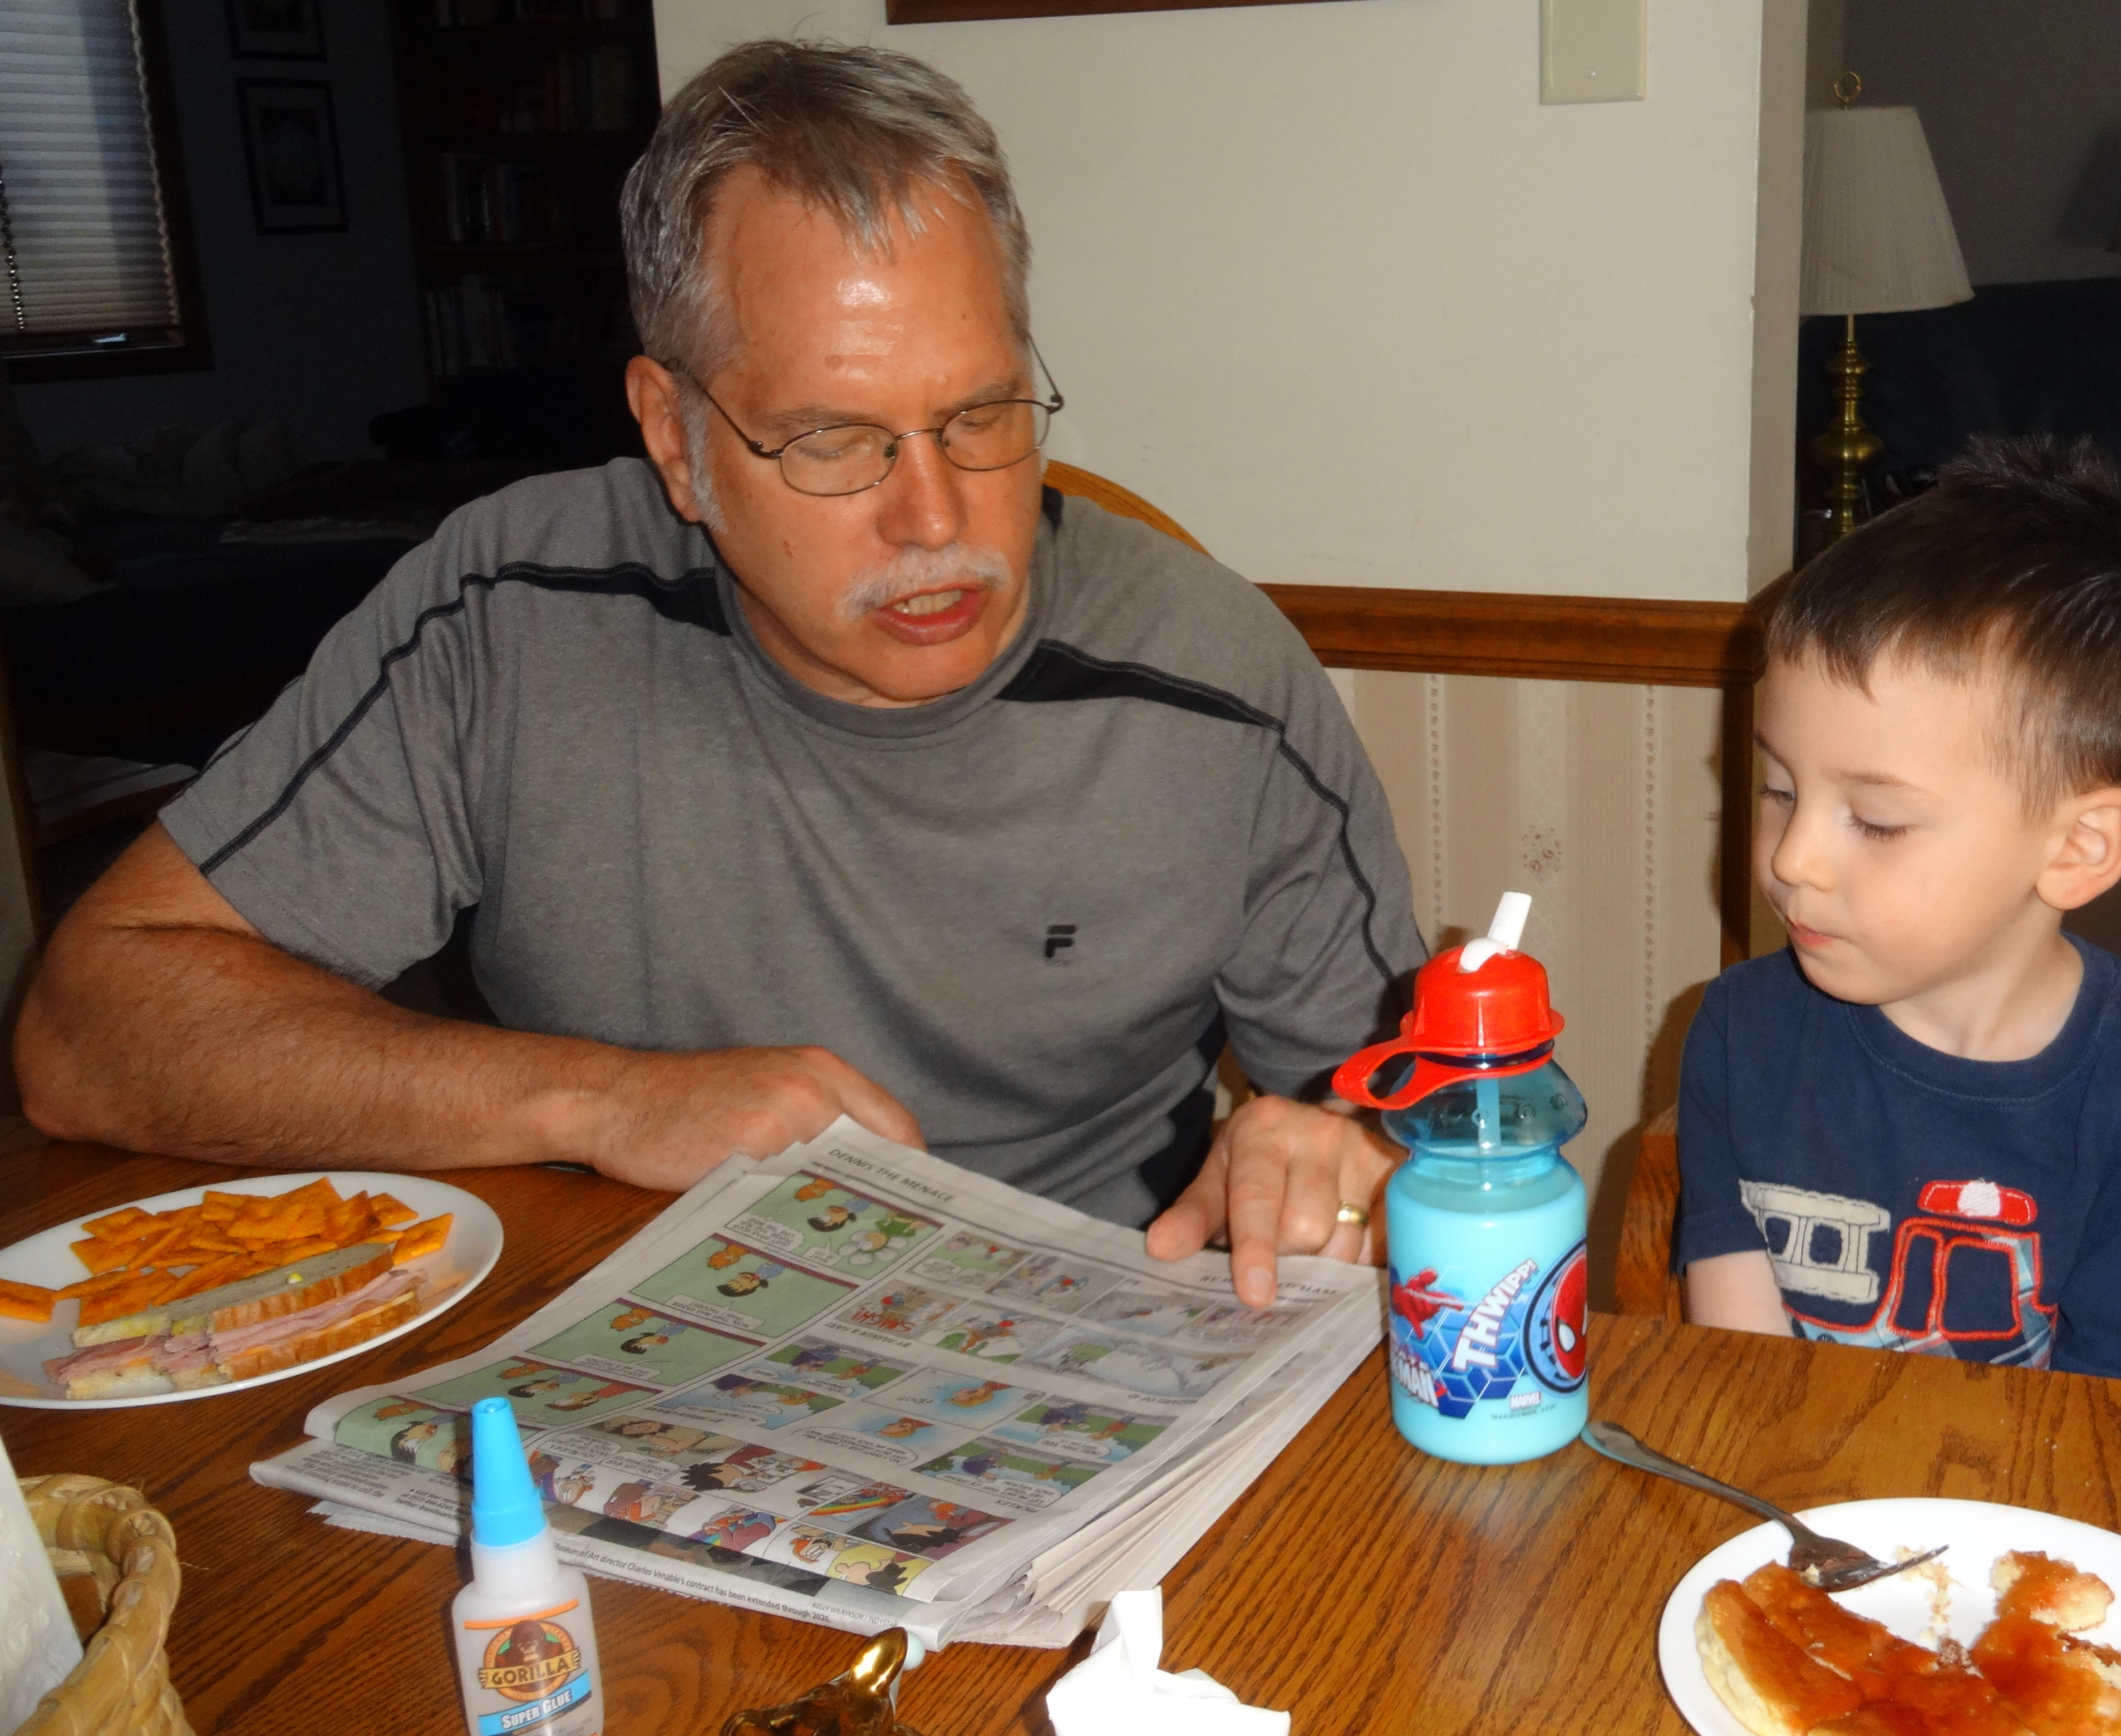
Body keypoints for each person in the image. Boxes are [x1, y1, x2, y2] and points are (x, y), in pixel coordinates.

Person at [10, 42, 1421, 1306]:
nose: (935, 519)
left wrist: (1365, 1166)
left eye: (981, 415)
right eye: (831, 440)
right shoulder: (505, 611)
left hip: (1090, 1352)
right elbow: (89, 1029)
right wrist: (601, 1100)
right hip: (619, 1348)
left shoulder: (1217, 676)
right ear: (673, 438)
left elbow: (1448, 1124)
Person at [1675, 437, 2121, 1389]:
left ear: (2077, 847)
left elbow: (2120, 1433)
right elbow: (1744, 1373)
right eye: (1778, 788)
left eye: (1876, 819)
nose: (1789, 859)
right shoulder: (1738, 1033)